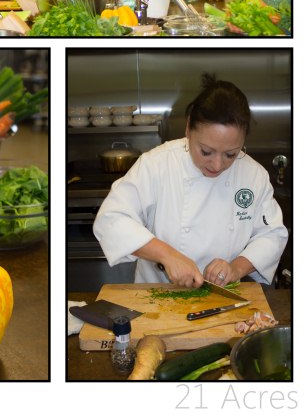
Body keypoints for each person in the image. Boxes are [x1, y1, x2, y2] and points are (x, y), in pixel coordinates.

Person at [93, 73, 288, 288]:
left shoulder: (253, 175)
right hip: (157, 294)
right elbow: (111, 218)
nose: (217, 165)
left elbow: (272, 235)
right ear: (188, 129)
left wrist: (236, 268)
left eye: (231, 154)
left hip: (222, 295)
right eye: (206, 151)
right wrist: (167, 255)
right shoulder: (157, 164)